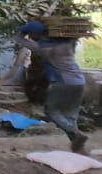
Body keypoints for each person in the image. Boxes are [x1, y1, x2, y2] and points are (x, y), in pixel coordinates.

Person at [13, 20, 88, 153]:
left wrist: (23, 31)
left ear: (34, 34)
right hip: (80, 82)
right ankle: (78, 147)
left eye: (30, 34)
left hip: (62, 82)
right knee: (70, 115)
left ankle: (75, 134)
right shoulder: (67, 43)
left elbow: (19, 39)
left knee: (51, 111)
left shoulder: (43, 48)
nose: (29, 37)